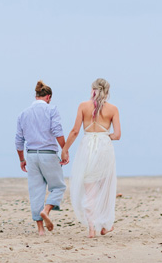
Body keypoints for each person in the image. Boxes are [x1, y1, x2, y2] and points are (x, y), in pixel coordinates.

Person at [61, 78, 121, 238]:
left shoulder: (83, 106)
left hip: (87, 147)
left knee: (89, 191)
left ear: (92, 90)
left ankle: (92, 229)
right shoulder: (113, 109)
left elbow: (74, 131)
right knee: (105, 188)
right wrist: (106, 136)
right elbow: (118, 135)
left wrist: (65, 149)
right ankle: (106, 225)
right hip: (104, 148)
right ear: (107, 91)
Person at [14, 80, 68, 235]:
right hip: (48, 154)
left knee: (36, 191)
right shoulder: (51, 110)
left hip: (31, 155)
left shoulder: (23, 114)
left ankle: (40, 229)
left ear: (36, 95)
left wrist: (21, 159)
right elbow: (57, 131)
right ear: (48, 97)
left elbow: (19, 140)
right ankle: (46, 210)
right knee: (58, 187)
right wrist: (64, 150)